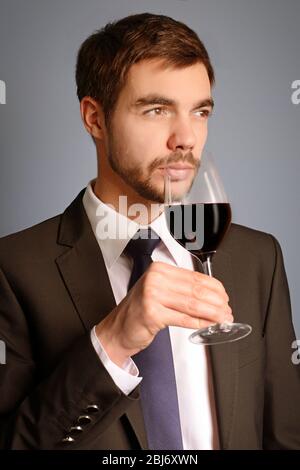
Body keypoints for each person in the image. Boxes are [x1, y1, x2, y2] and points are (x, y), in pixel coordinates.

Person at [0, 12, 299, 450]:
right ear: (95, 119)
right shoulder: (13, 269)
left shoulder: (259, 258)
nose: (186, 138)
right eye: (157, 110)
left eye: (200, 111)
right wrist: (112, 342)